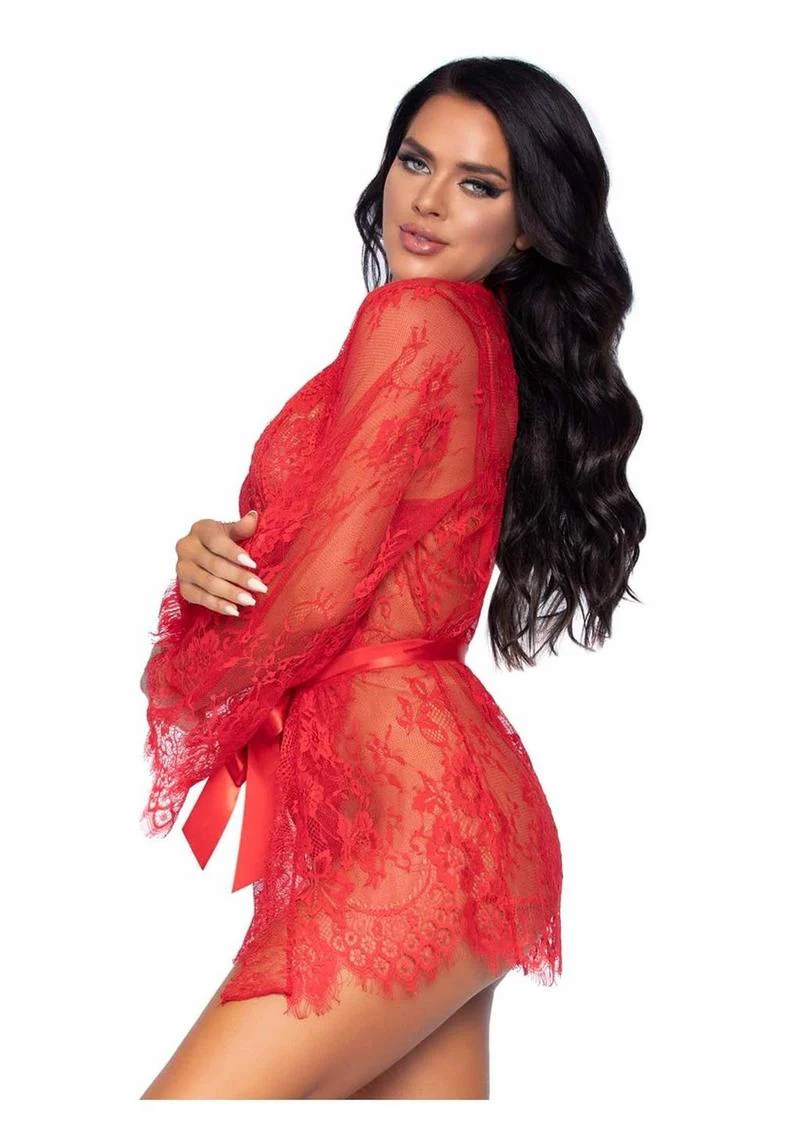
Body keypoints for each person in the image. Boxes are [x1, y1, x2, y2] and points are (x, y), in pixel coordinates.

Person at [138, 55, 645, 1100]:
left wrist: (183, 673)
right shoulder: (476, 339)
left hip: (413, 837)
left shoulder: (411, 323)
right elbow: (337, 551)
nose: (427, 200)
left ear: (530, 227)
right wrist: (211, 555)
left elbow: (319, 601)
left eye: (478, 183)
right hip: (439, 821)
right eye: (416, 162)